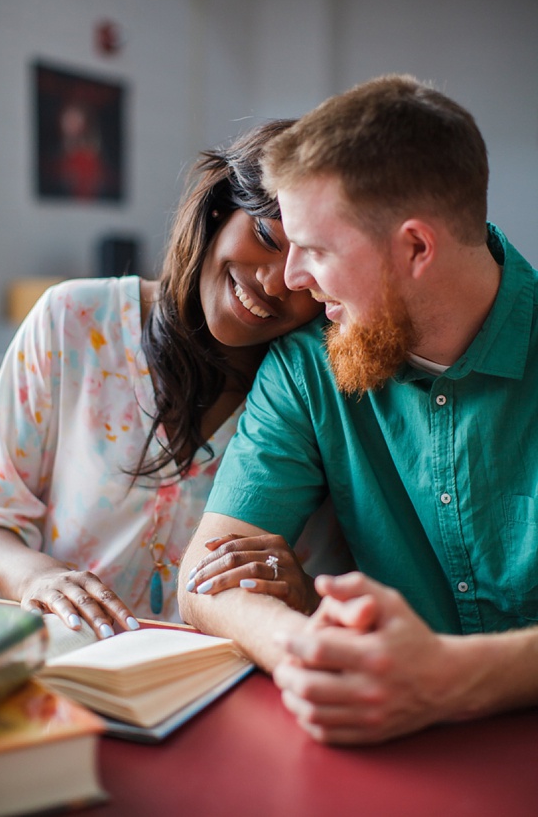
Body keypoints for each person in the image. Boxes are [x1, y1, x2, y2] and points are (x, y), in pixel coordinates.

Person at [178, 74, 538, 745]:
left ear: (415, 247)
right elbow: (207, 579)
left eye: (313, 249)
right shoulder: (309, 365)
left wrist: (451, 675)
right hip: (388, 751)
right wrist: (305, 653)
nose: (292, 281)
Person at [0, 120, 323, 637]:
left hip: (181, 691)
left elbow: (326, 586)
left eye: (310, 272)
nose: (275, 282)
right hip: (21, 660)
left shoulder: (309, 392)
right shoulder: (73, 319)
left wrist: (301, 589)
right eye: (263, 236)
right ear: (218, 211)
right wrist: (39, 577)